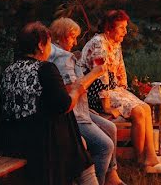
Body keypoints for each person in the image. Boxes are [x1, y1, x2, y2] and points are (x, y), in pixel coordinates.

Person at [0, 22, 99, 185]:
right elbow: (64, 105)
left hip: (11, 139)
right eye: (49, 43)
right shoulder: (45, 69)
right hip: (39, 143)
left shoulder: (7, 71)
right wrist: (77, 90)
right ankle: (87, 175)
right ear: (40, 45)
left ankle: (85, 168)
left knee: (67, 128)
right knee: (68, 124)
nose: (51, 48)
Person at [80, 10, 161, 175]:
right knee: (138, 111)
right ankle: (141, 161)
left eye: (125, 27)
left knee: (144, 107)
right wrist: (107, 107)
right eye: (121, 28)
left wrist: (126, 93)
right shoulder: (99, 43)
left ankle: (151, 158)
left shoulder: (115, 43)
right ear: (109, 28)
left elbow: (120, 71)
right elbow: (100, 77)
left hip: (112, 89)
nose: (125, 31)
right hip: (95, 94)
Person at [49, 18, 124, 185]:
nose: (76, 42)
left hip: (81, 109)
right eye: (73, 37)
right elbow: (72, 90)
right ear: (62, 36)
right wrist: (95, 73)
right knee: (105, 146)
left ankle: (112, 176)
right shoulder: (62, 57)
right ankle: (98, 182)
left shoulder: (55, 53)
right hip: (73, 115)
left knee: (110, 127)